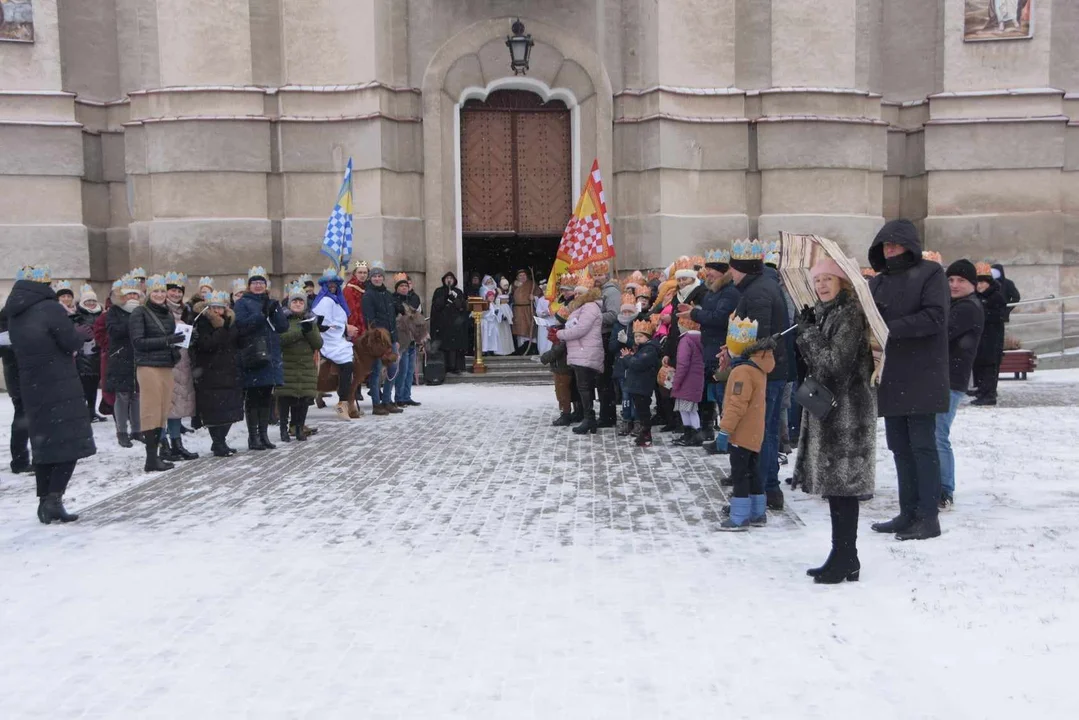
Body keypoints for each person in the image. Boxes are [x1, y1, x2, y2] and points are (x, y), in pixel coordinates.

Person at [794, 259, 876, 583]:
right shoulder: (828, 313)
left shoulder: (850, 315)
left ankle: (845, 557)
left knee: (844, 489)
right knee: (836, 490)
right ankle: (843, 556)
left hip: (848, 416)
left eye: (828, 279)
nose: (822, 286)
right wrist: (810, 328)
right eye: (818, 281)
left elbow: (833, 364)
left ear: (843, 282)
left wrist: (808, 334)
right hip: (831, 412)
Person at [867, 219, 949, 541]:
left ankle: (928, 517)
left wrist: (888, 327)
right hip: (891, 375)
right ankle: (908, 512)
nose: (889, 250)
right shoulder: (877, 282)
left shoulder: (931, 274)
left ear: (909, 245)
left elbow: (935, 317)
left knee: (922, 447)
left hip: (922, 374)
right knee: (900, 447)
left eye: (895, 244)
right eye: (885, 245)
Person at [6, 264, 97, 523]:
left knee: (45, 445)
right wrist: (78, 332)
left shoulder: (15, 311)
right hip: (59, 383)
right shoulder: (50, 308)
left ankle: (45, 501)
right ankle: (54, 500)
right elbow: (69, 341)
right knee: (70, 443)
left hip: (32, 384)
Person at [724, 239, 789, 510]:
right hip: (765, 370)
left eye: (733, 269)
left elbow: (761, 335)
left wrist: (737, 352)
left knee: (758, 433)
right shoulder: (758, 287)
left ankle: (763, 489)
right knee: (764, 431)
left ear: (743, 269)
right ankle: (764, 490)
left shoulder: (758, 292)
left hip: (764, 372)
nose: (731, 274)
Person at [716, 315, 775, 530]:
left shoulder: (741, 372)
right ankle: (758, 512)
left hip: (741, 432)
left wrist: (725, 430)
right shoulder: (757, 367)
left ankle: (740, 515)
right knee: (753, 471)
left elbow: (736, 404)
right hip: (754, 431)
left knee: (740, 473)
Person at [937, 260, 984, 508]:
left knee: (938, 434)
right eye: (951, 279)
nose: (954, 285)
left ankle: (945, 488)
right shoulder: (957, 304)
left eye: (961, 281)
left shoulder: (967, 308)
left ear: (972, 285)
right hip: (945, 378)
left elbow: (941, 334)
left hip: (951, 380)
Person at [686, 249, 741, 453]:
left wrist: (695, 314)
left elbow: (719, 318)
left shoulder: (729, 292)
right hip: (710, 350)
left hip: (722, 352)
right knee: (714, 394)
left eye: (712, 270)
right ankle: (716, 434)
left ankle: (726, 440)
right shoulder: (713, 291)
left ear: (722, 272)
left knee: (724, 397)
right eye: (707, 269)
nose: (707, 273)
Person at [129, 274, 183, 472]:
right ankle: (151, 458)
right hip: (149, 367)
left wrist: (180, 343)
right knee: (151, 411)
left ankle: (157, 455)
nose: (160, 295)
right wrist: (168, 341)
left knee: (162, 411)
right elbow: (138, 342)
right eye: (156, 292)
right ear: (148, 293)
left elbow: (169, 340)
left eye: (162, 291)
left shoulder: (167, 313)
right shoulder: (139, 313)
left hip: (166, 365)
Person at [235, 266, 290, 449]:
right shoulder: (242, 303)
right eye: (255, 283)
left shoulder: (271, 302)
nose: (258, 286)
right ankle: (253, 436)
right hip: (253, 354)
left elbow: (283, 327)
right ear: (249, 285)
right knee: (253, 397)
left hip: (271, 354)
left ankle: (264, 434)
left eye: (261, 283)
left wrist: (276, 311)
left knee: (267, 396)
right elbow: (242, 326)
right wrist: (261, 315)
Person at [191, 290, 244, 456]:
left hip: (230, 371)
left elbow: (238, 342)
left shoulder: (231, 322)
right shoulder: (202, 322)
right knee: (215, 412)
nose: (216, 311)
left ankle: (222, 441)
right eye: (213, 307)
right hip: (210, 372)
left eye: (220, 308)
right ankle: (218, 442)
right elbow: (207, 344)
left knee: (230, 410)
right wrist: (222, 329)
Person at [557, 276, 604, 435]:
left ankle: (588, 418)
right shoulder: (582, 308)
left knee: (584, 387)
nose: (576, 296)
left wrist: (560, 333)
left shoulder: (590, 307)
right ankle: (588, 419)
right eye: (575, 293)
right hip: (581, 351)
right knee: (584, 387)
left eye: (579, 293)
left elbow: (580, 329)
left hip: (586, 351)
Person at [276, 283, 323, 443]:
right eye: (295, 301)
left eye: (300, 302)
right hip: (287, 364)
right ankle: (283, 429)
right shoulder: (283, 320)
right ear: (289, 303)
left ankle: (298, 427)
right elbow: (281, 339)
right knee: (285, 399)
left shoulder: (310, 320)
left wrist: (309, 330)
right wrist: (299, 332)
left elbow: (318, 344)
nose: (297, 304)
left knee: (302, 399)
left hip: (305, 366)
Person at [160, 272, 198, 461]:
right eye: (172, 291)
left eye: (178, 291)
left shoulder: (184, 311)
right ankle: (163, 444)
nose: (175, 294)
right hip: (165, 361)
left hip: (182, 361)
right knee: (164, 405)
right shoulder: (159, 310)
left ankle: (177, 443)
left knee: (178, 405)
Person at [312, 266, 358, 420]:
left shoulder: (337, 300)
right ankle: (342, 401)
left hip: (338, 337)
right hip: (328, 339)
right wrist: (345, 328)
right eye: (329, 284)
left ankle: (348, 401)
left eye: (335, 284)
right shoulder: (325, 301)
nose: (333, 286)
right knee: (347, 364)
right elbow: (324, 323)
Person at [106, 277, 142, 448]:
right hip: (121, 357)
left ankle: (137, 429)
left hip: (138, 357)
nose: (132, 297)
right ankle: (121, 431)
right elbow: (113, 331)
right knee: (122, 396)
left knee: (136, 395)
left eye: (135, 293)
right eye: (129, 294)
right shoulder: (115, 311)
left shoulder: (142, 310)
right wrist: (132, 323)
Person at [362, 262, 400, 415]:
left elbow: (392, 319)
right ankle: (376, 404)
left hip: (391, 338)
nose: (377, 279)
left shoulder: (388, 294)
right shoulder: (368, 295)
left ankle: (387, 400)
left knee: (392, 370)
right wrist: (378, 337)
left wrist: (395, 338)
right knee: (377, 371)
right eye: (374, 276)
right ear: (371, 279)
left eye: (379, 276)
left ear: (383, 278)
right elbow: (369, 320)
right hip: (378, 340)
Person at [590, 260, 623, 428]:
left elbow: (614, 314)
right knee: (601, 379)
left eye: (600, 274)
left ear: (606, 276)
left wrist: (592, 318)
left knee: (605, 378)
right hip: (599, 336)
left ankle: (608, 416)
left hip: (607, 336)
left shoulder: (610, 292)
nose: (597, 277)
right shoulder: (598, 291)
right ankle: (605, 414)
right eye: (595, 274)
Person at [0, 297, 31, 474]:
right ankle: (20, 461)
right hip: (18, 376)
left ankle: (25, 459)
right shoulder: (7, 316)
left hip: (29, 375)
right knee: (23, 418)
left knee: (28, 419)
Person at [971, 262, 1007, 407]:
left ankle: (989, 394)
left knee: (989, 367)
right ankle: (982, 391)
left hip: (991, 339)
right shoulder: (978, 296)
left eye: (982, 283)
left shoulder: (996, 296)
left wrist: (981, 315)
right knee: (980, 364)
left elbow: (999, 316)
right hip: (982, 338)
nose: (979, 286)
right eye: (977, 283)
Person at [622, 317, 661, 447]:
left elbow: (638, 364)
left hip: (642, 386)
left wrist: (628, 358)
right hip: (638, 385)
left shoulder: (649, 349)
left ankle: (646, 434)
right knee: (640, 409)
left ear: (647, 337)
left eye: (640, 336)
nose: (637, 338)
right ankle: (644, 433)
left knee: (643, 411)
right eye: (636, 336)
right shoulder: (642, 349)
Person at [393, 272, 427, 407]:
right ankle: (399, 397)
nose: (404, 288)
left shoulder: (412, 298)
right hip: (402, 339)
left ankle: (407, 395)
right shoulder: (393, 300)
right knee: (402, 369)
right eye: (401, 286)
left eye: (405, 286)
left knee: (410, 370)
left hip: (412, 338)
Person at [74, 283, 106, 422]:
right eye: (88, 301)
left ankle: (92, 411)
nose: (91, 303)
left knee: (94, 387)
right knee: (83, 387)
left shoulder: (102, 314)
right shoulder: (78, 315)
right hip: (84, 356)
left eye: (93, 300)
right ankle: (83, 412)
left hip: (99, 355)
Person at [671, 315, 705, 446]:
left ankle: (691, 434)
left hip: (686, 380)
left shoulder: (685, 341)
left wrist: (676, 382)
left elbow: (682, 364)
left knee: (686, 409)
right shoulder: (699, 339)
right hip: (695, 379)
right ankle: (695, 434)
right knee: (691, 408)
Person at [609, 293, 639, 435]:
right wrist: (619, 341)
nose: (626, 314)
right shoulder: (617, 325)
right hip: (621, 366)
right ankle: (627, 419)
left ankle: (637, 420)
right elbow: (611, 346)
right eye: (624, 311)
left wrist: (627, 340)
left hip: (636, 367)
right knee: (625, 396)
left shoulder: (638, 323)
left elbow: (640, 344)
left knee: (636, 396)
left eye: (629, 311)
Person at [430, 271, 469, 374]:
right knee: (444, 346)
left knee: (456, 347)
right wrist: (445, 297)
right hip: (443, 324)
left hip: (456, 324)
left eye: (451, 278)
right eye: (447, 278)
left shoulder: (459, 292)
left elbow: (462, 306)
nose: (449, 280)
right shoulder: (438, 291)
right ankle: (445, 366)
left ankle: (456, 367)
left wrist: (454, 298)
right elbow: (436, 306)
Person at [480, 280, 514, 356]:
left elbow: (498, 311)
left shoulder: (495, 304)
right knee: (486, 338)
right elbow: (484, 314)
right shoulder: (485, 305)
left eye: (492, 296)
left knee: (494, 338)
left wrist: (502, 316)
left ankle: (492, 350)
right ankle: (486, 351)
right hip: (487, 325)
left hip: (494, 324)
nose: (491, 297)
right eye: (490, 296)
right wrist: (492, 314)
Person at [511, 269, 540, 355]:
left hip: (529, 310)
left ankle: (532, 348)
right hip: (518, 311)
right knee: (520, 329)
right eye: (520, 276)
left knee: (530, 328)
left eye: (524, 275)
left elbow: (541, 295)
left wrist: (534, 297)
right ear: (517, 277)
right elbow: (509, 297)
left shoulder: (532, 284)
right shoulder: (513, 286)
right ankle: (521, 349)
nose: (523, 277)